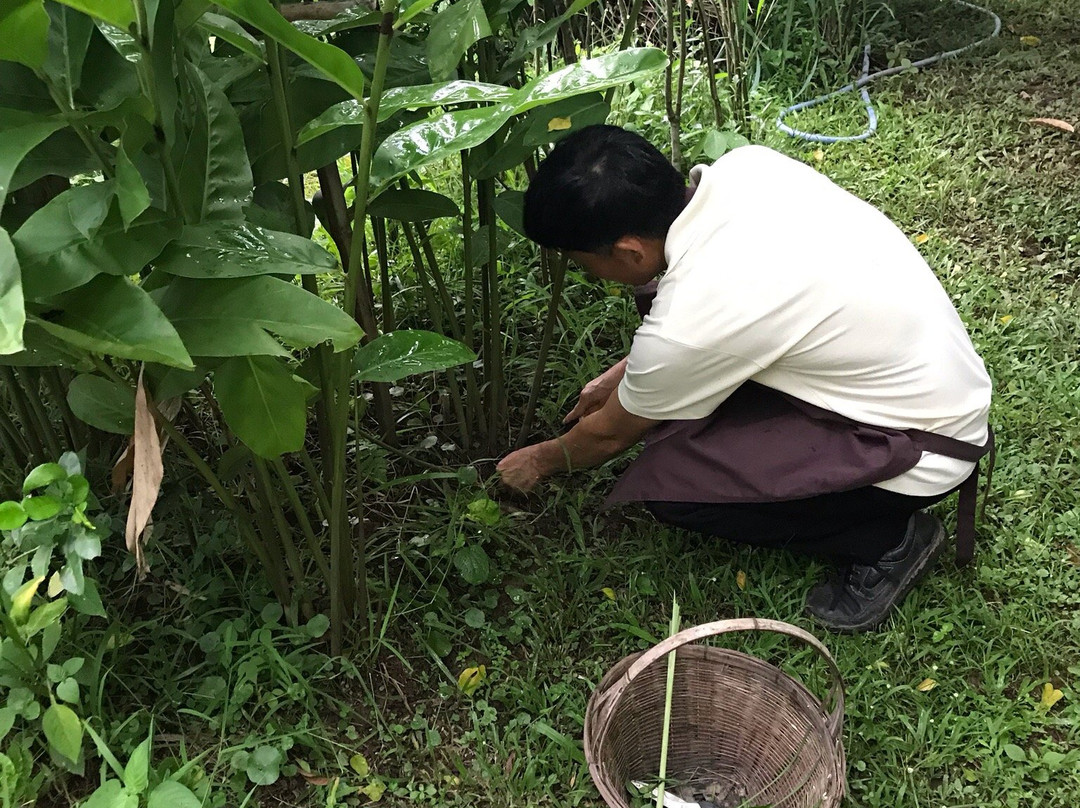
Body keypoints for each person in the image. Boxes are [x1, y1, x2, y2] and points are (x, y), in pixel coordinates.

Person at [496, 125, 993, 633]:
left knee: (676, 491)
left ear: (628, 252)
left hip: (923, 443)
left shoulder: (694, 318)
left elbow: (610, 434)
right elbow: (735, 320)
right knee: (688, 420)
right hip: (936, 381)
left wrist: (540, 460)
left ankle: (885, 541)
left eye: (584, 264)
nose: (588, 274)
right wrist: (620, 379)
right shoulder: (747, 169)